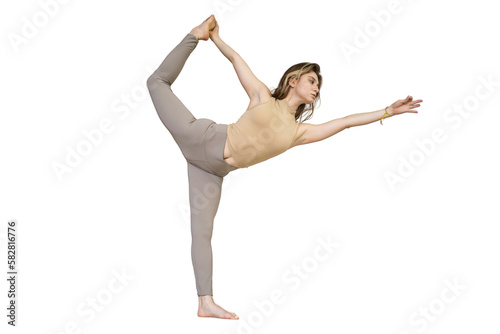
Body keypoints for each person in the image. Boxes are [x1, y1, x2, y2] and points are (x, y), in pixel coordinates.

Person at [146, 14, 423, 320]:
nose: (316, 88)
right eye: (312, 81)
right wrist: (213, 37)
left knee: (202, 232)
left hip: (211, 172)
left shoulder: (297, 133)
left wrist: (387, 111)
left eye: (318, 85)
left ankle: (205, 302)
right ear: (294, 80)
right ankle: (193, 35)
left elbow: (344, 123)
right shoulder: (262, 96)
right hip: (200, 137)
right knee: (156, 83)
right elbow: (236, 59)